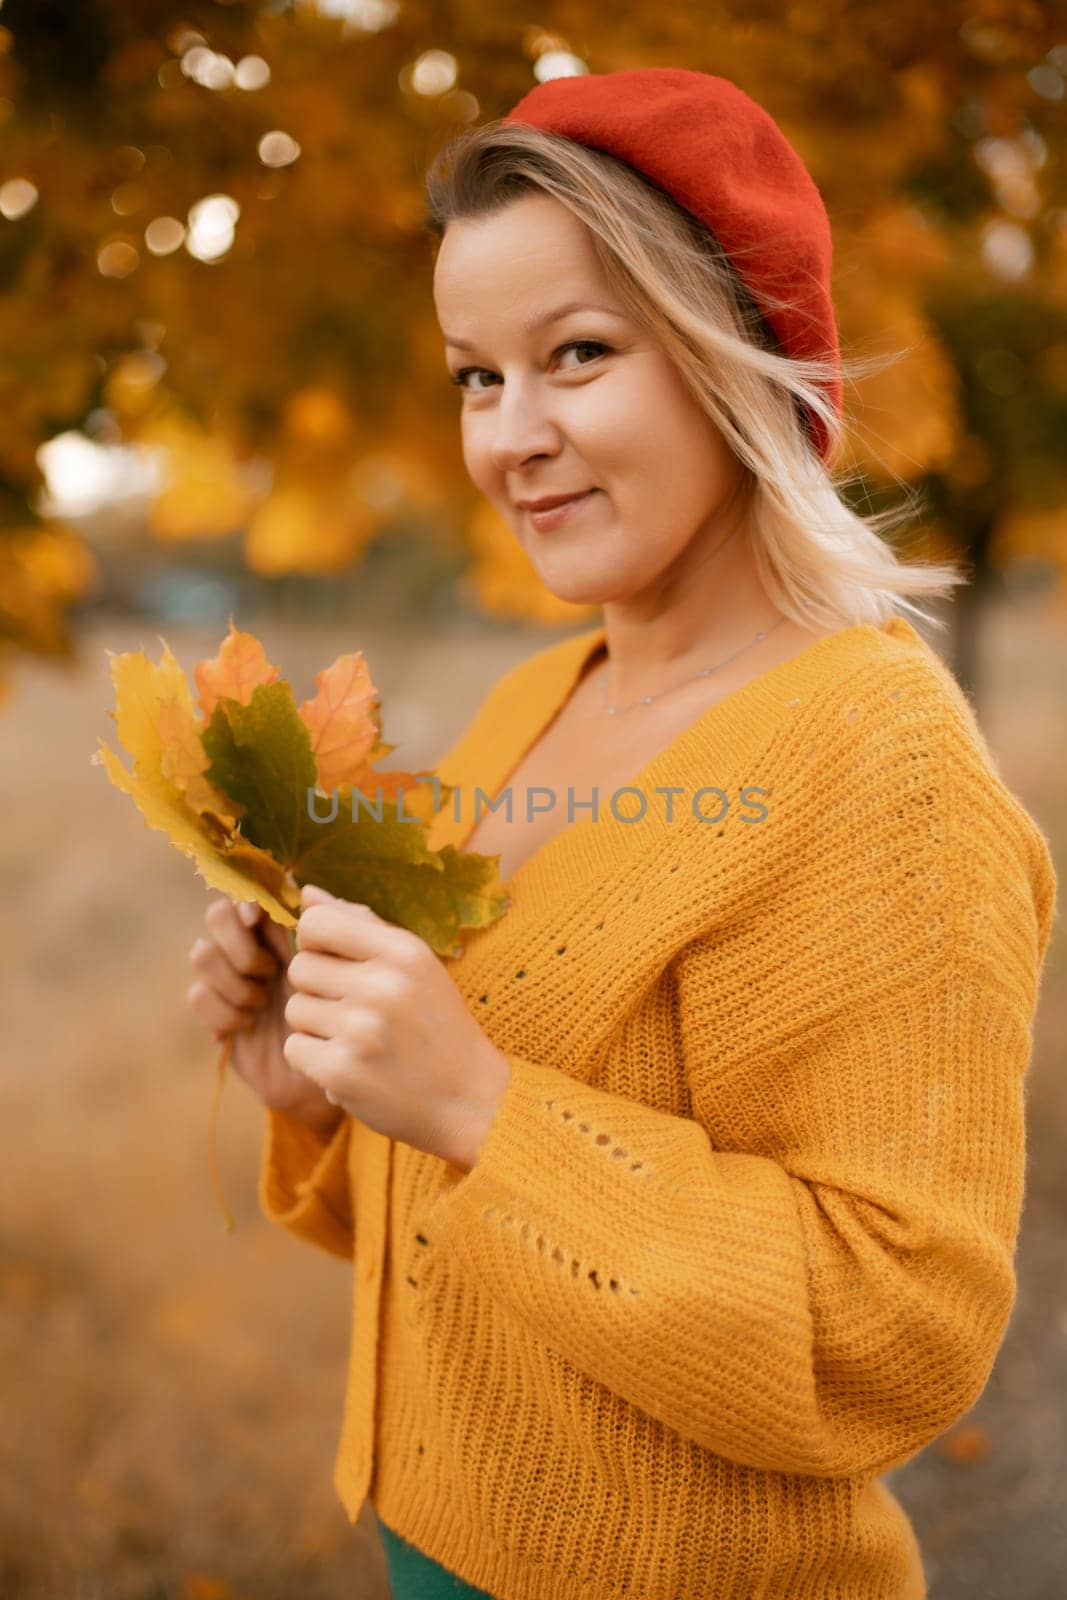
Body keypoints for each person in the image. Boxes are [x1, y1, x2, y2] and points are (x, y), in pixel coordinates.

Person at [185, 69, 1058, 1600]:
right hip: (435, 1548)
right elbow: (494, 1230)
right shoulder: (537, 697)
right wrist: (320, 1094)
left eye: (576, 356)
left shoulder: (882, 771)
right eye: (476, 376)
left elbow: (896, 1335)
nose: (511, 438)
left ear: (744, 363)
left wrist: (477, 1106)